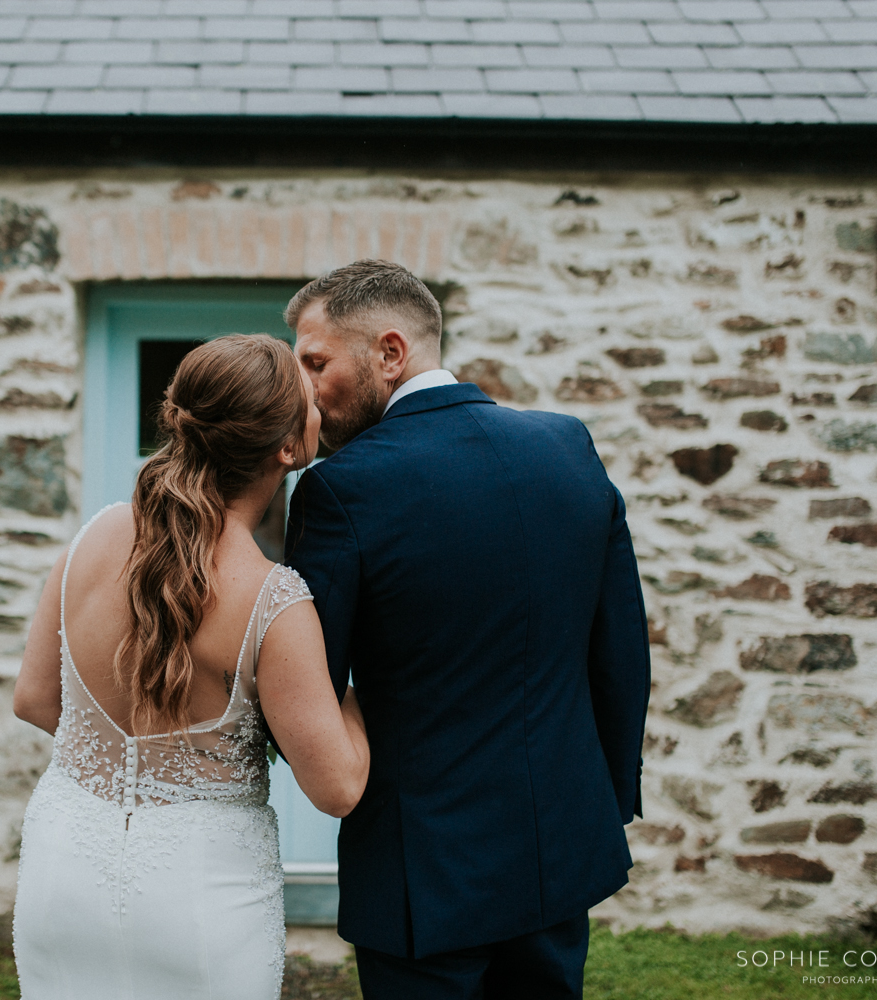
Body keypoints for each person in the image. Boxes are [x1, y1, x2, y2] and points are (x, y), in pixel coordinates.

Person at [284, 259, 651, 1000]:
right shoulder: (567, 446)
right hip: (559, 850)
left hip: (424, 873)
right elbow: (619, 650)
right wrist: (599, 804)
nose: (305, 390)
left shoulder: (341, 489)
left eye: (316, 363)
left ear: (390, 352)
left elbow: (310, 688)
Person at [10, 333, 370, 1000]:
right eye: (306, 393)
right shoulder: (273, 599)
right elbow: (338, 787)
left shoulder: (94, 537)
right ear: (287, 449)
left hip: (64, 870)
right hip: (201, 896)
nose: (319, 400)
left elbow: (34, 699)